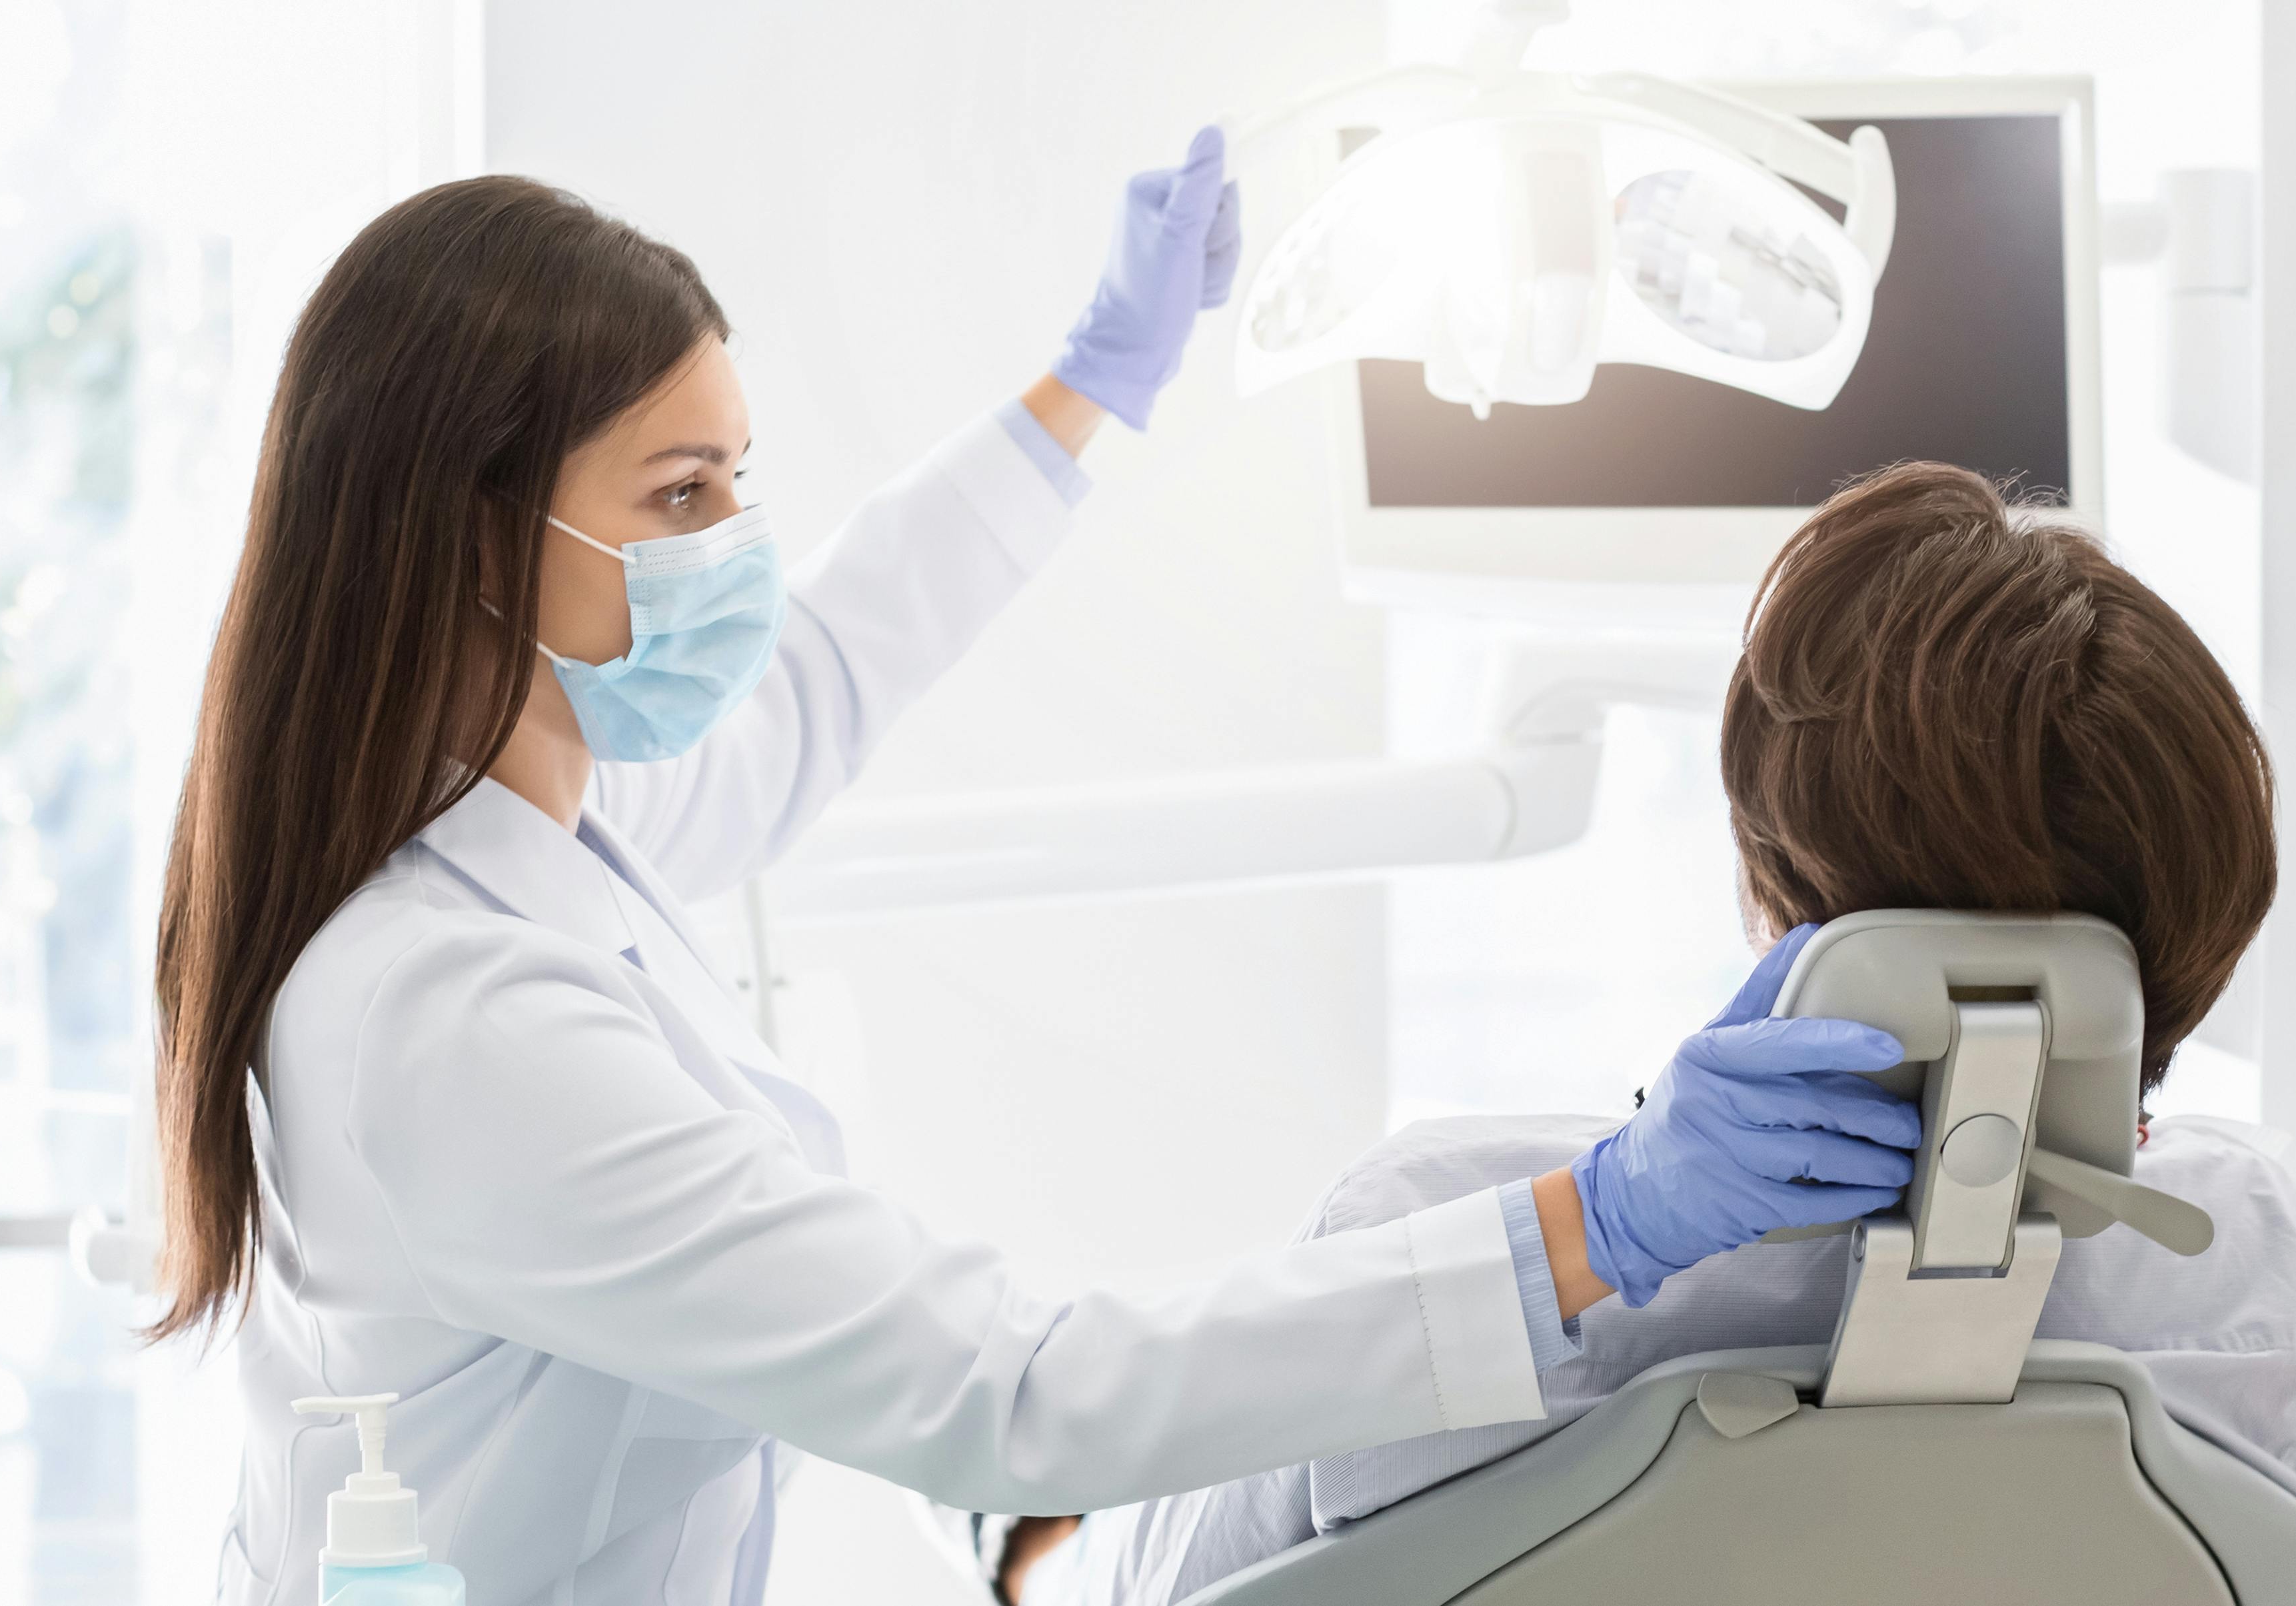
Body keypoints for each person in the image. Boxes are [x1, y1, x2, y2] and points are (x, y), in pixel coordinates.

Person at [156, 133, 1928, 1606]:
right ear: (479, 539)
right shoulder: (451, 1018)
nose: (740, 550)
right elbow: (1015, 1389)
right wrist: (1598, 1218)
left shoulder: (525, 831)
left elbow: (825, 673)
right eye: (682, 495)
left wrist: (1094, 383)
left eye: (740, 483)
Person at [970, 463, 2296, 1606]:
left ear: (1774, 876)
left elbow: (1152, 1589)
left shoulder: (1445, 1231)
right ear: (2200, 911)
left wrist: (1035, 1537)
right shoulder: (2256, 1268)